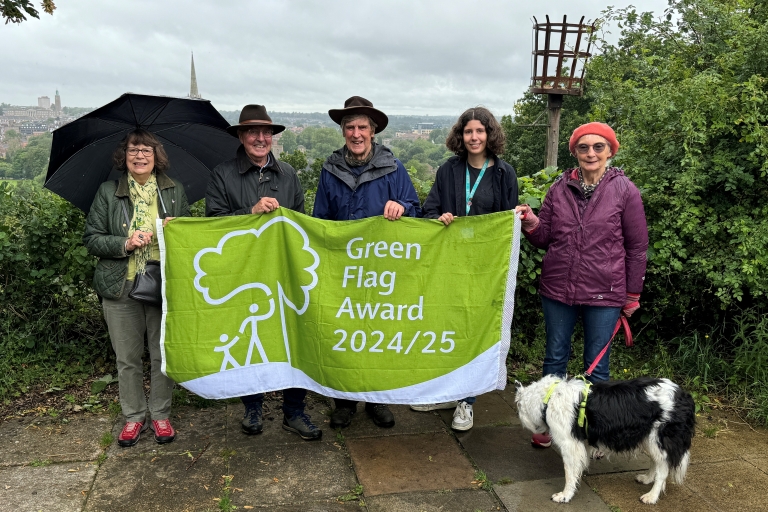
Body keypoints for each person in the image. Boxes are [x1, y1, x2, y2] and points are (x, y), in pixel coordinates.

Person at [514, 122, 648, 448]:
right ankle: (549, 424)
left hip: (605, 292)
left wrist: (632, 295)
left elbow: (637, 246)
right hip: (558, 288)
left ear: (610, 151)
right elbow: (546, 236)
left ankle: (593, 433)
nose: (591, 153)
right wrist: (532, 222)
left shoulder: (625, 190)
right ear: (574, 151)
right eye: (584, 147)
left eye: (598, 147)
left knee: (596, 367)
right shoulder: (559, 189)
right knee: (554, 358)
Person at [205, 104, 322, 441]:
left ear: (273, 137)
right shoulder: (222, 174)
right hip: (245, 274)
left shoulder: (288, 173)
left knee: (291, 339)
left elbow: (302, 224)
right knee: (251, 341)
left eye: (266, 133)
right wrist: (251, 212)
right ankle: (252, 407)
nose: (260, 138)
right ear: (241, 136)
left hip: (284, 273)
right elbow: (213, 226)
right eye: (253, 132)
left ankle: (294, 412)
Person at [313, 96, 421, 429]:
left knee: (378, 332)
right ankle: (344, 401)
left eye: (362, 127)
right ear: (342, 131)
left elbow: (415, 208)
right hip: (344, 268)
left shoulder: (394, 167)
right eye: (350, 127)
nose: (356, 133)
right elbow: (321, 220)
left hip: (382, 270)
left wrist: (401, 206)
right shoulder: (330, 170)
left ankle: (377, 398)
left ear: (373, 131)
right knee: (344, 333)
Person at [409, 107, 519, 431]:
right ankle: (444, 391)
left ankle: (466, 402)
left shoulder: (503, 173)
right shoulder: (448, 170)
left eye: (480, 132)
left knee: (474, 330)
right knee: (447, 327)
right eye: (468, 132)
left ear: (489, 135)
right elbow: (429, 209)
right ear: (461, 135)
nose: (474, 137)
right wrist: (439, 218)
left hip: (485, 267)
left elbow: (508, 222)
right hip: (451, 264)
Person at [83, 129, 190, 447]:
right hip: (120, 286)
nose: (140, 155)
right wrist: (125, 242)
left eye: (147, 150)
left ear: (157, 156)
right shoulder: (108, 192)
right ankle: (133, 417)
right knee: (127, 358)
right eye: (134, 150)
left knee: (161, 355)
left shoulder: (172, 191)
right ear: (123, 156)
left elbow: (189, 237)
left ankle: (160, 415)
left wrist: (177, 229)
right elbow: (91, 238)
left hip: (162, 284)